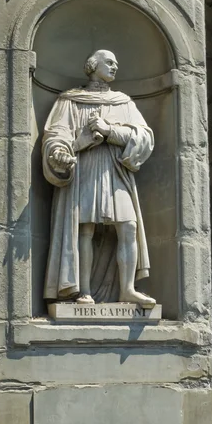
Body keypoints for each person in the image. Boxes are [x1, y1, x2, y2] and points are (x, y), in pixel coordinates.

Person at [42, 49, 156, 308]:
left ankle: (127, 289)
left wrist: (110, 131)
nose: (115, 67)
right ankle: (84, 291)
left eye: (117, 63)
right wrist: (65, 150)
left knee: (128, 226)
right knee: (85, 229)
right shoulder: (69, 101)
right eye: (110, 62)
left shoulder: (124, 103)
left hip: (116, 171)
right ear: (93, 65)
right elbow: (55, 136)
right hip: (85, 169)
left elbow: (145, 137)